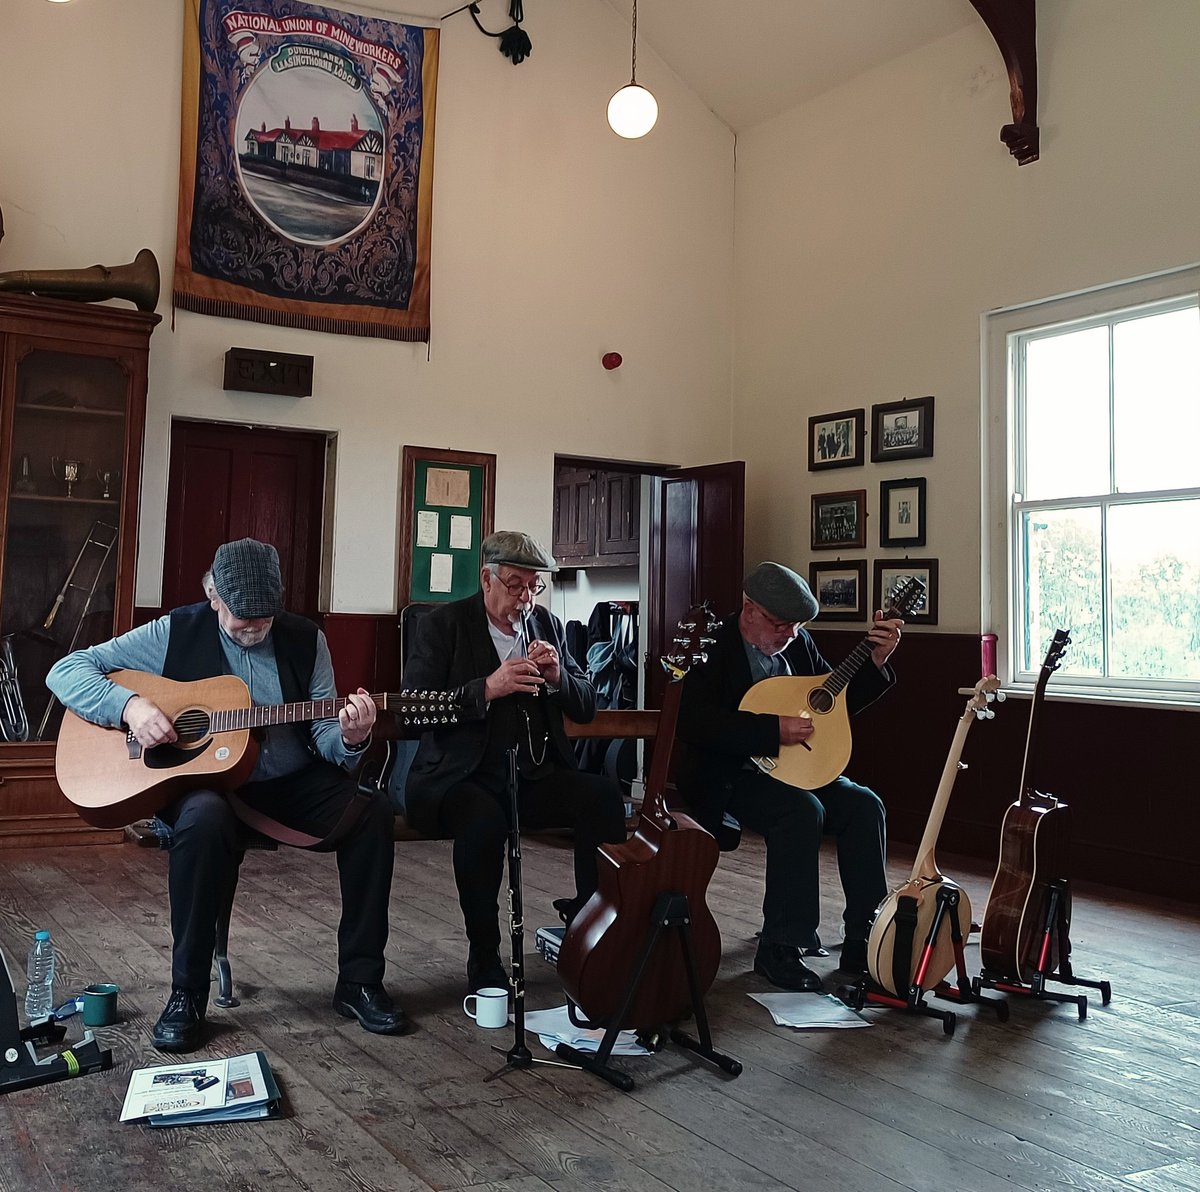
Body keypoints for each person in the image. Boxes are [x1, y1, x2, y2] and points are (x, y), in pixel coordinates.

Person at [46, 538, 406, 1051]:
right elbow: (66, 670)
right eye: (243, 621)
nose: (256, 630)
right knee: (202, 820)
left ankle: (360, 982)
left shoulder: (307, 640)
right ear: (213, 596)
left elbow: (325, 740)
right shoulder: (176, 629)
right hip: (204, 784)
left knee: (374, 812)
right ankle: (187, 995)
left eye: (265, 619)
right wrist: (130, 708)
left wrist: (350, 737)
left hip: (287, 783)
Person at [402, 531, 627, 994]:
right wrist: (488, 687)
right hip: (459, 777)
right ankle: (484, 958)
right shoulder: (444, 625)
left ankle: (592, 935)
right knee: (485, 822)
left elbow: (586, 705)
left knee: (602, 798)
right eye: (515, 585)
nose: (525, 597)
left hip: (531, 773)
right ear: (486, 579)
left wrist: (558, 675)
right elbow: (412, 708)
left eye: (533, 586)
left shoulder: (545, 624)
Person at [675, 561, 903, 992]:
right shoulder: (711, 646)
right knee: (800, 811)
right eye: (781, 625)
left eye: (796, 626)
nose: (790, 635)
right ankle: (781, 946)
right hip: (732, 772)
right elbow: (693, 722)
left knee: (864, 805)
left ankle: (864, 939)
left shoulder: (798, 646)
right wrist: (768, 730)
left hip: (799, 765)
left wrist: (876, 659)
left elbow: (831, 706)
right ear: (749, 610)